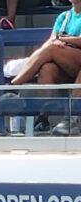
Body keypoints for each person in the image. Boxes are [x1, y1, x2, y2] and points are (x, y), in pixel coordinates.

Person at [5, 0, 81, 134]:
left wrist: (63, 39)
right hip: (63, 58)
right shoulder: (64, 17)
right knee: (47, 69)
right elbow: (52, 39)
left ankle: (13, 86)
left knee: (51, 49)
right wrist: (57, 41)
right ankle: (43, 118)